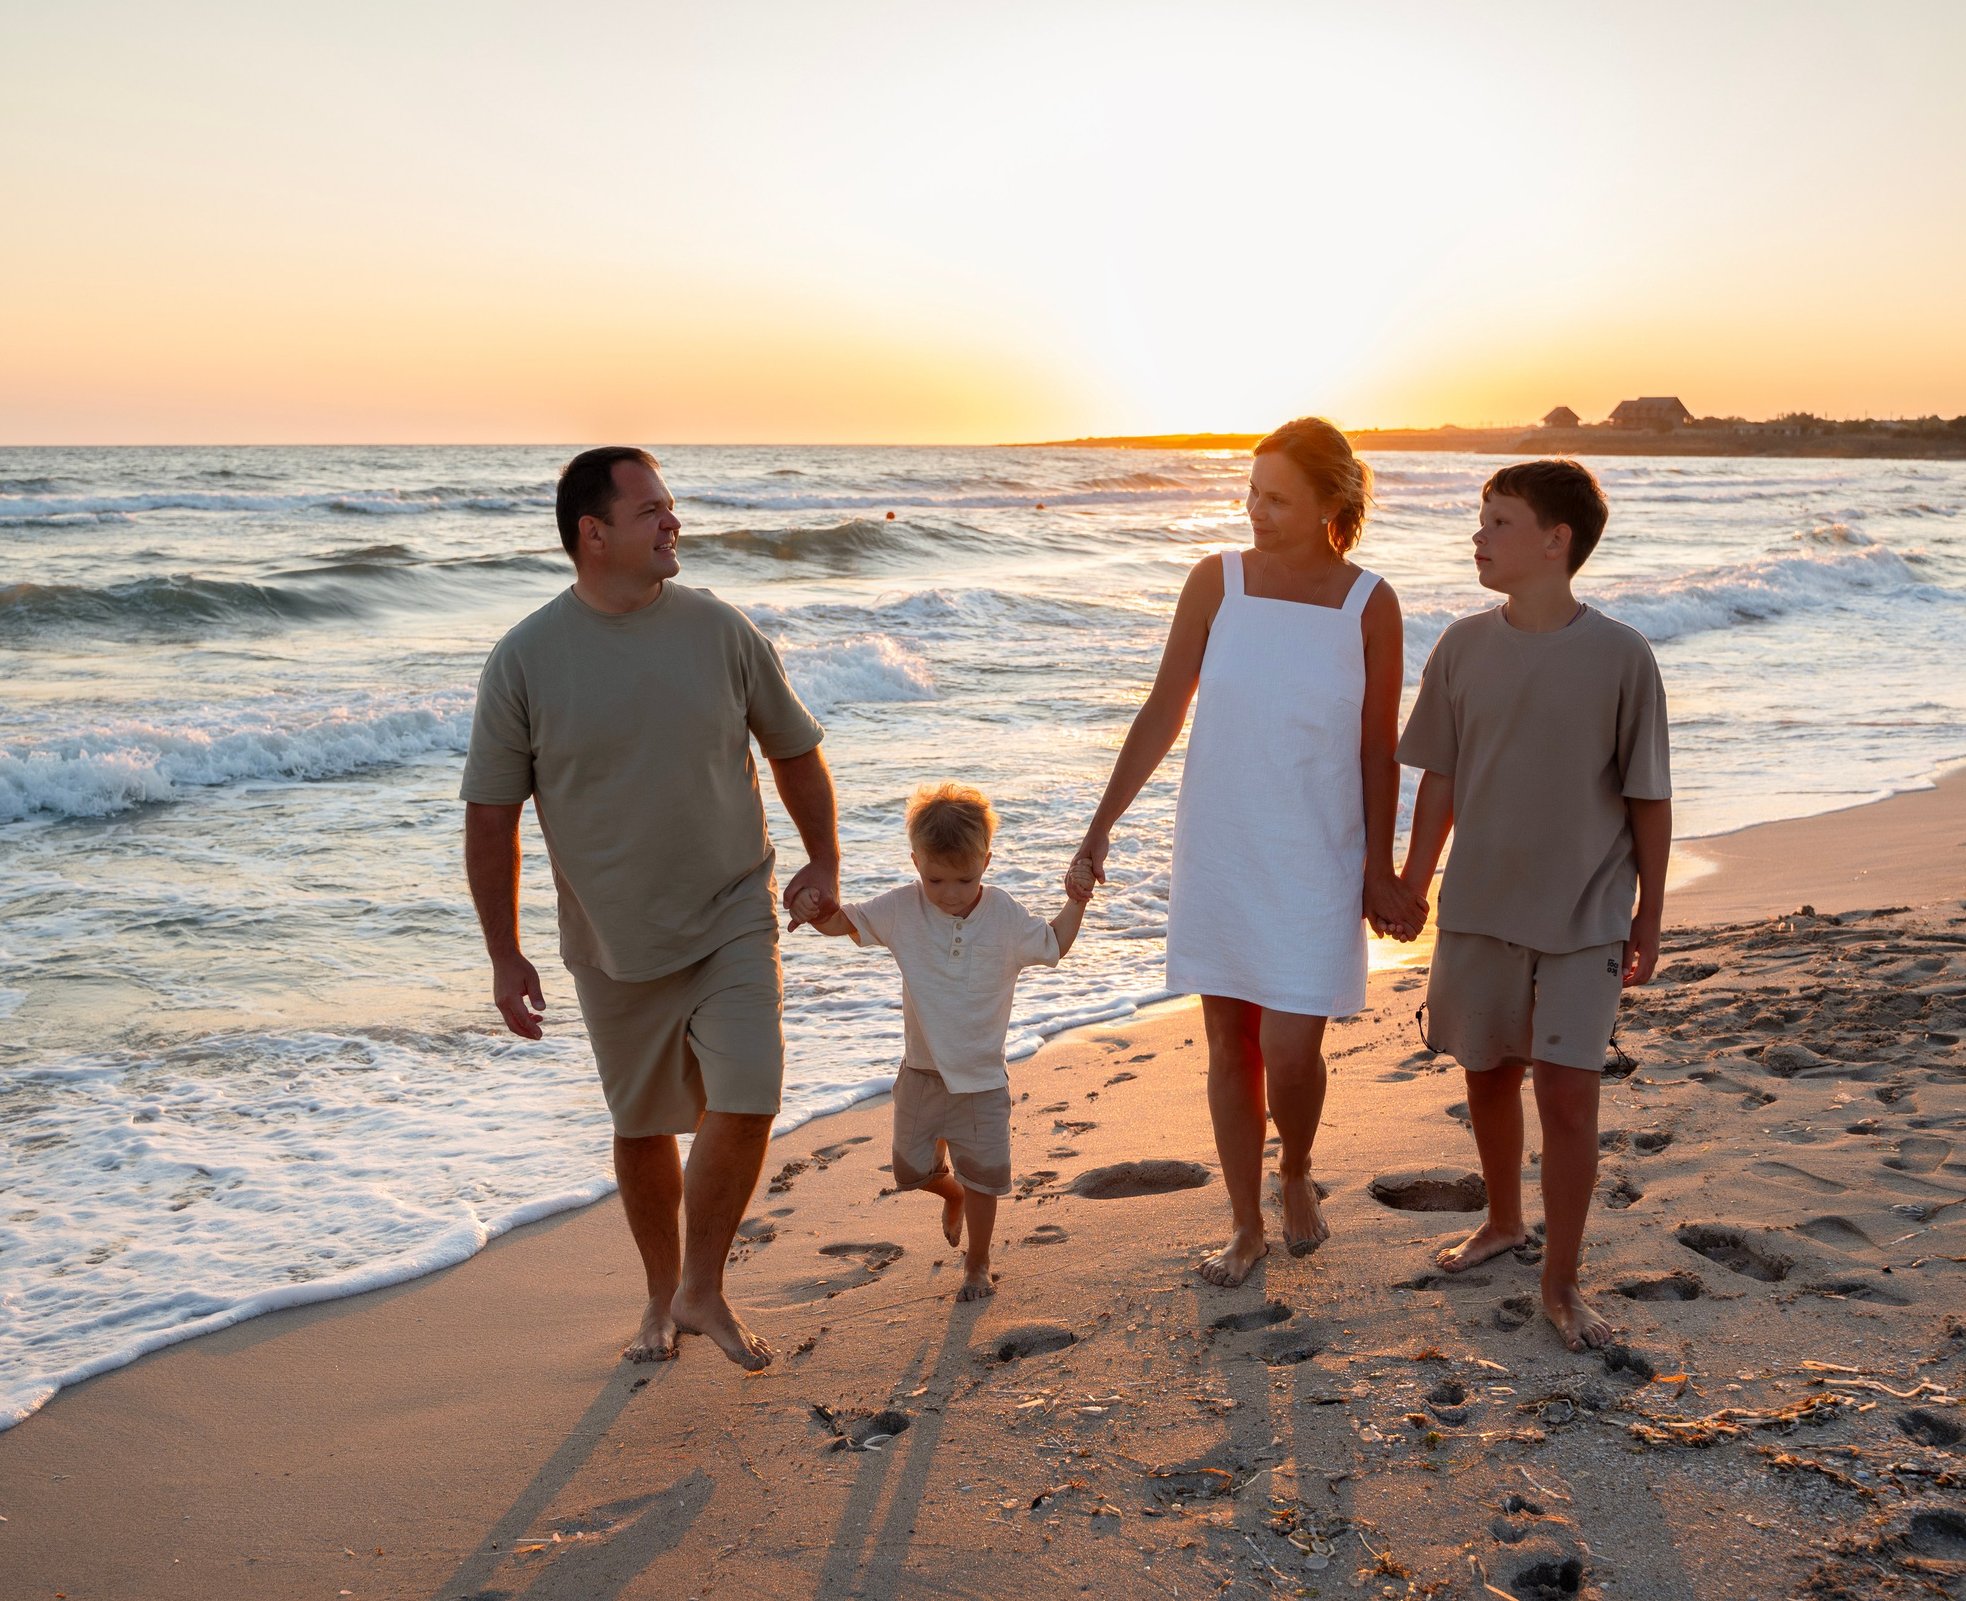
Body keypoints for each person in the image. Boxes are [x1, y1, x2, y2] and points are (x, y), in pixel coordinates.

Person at [459, 445, 842, 1372]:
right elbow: (491, 816)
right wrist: (505, 954)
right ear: (594, 536)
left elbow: (792, 750)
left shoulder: (720, 629)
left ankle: (703, 1286)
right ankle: (658, 1298)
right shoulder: (525, 659)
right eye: (651, 512)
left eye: (671, 507)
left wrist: (823, 856)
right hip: (611, 937)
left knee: (748, 1092)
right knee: (640, 1127)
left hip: (731, 912)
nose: (674, 523)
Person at [1067, 418, 1410, 1287]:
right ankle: (1245, 1222)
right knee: (1230, 1043)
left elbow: (1378, 747)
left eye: (1278, 498)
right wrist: (1101, 822)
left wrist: (1380, 867)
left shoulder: (1371, 602)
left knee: (1292, 1049)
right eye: (1251, 492)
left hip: (1316, 852)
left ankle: (1295, 1166)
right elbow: (1162, 709)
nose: (1256, 510)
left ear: (1333, 503)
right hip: (1223, 842)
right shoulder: (1215, 581)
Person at [1393, 457, 1672, 1353]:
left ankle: (1562, 1278)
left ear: (1556, 542)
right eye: (1481, 518)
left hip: (1587, 911)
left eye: (1500, 520)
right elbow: (1439, 778)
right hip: (1479, 902)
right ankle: (1505, 1221)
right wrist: (1411, 878)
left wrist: (1651, 916)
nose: (1479, 535)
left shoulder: (1622, 655)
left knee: (1569, 1095)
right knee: (1485, 1068)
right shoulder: (1461, 646)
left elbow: (1648, 799)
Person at [794, 782, 1089, 1302]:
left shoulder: (1002, 913)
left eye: (965, 879)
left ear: (987, 862)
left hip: (980, 1080)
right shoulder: (905, 908)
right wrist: (818, 909)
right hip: (921, 1073)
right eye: (935, 878)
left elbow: (1055, 943)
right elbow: (846, 923)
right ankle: (947, 1192)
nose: (950, 892)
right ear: (915, 863)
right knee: (908, 1169)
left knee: (986, 1178)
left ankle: (978, 1264)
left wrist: (1075, 900)